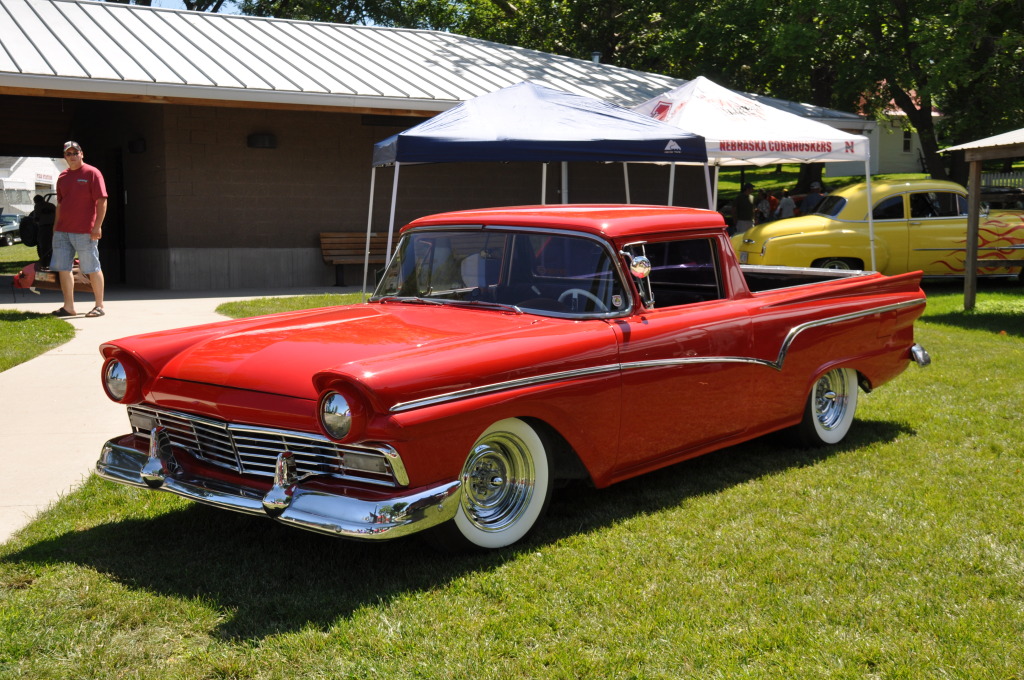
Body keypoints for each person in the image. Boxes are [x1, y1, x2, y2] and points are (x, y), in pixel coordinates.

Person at [52, 141, 107, 318]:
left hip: (85, 231)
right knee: (63, 268)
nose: (72, 156)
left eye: (75, 152)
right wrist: (55, 227)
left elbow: (102, 201)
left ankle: (99, 306)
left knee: (91, 267)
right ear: (65, 157)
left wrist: (97, 226)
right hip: (62, 231)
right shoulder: (62, 176)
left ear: (82, 154)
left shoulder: (92, 173)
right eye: (68, 153)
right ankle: (69, 307)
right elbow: (60, 203)